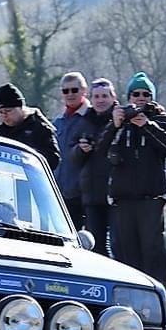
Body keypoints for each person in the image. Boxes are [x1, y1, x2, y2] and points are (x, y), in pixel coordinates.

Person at [96, 71, 166, 298]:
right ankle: (131, 299)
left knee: (153, 251)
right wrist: (115, 125)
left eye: (145, 94)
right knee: (127, 253)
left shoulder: (164, 119)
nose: (140, 98)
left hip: (151, 198)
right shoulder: (119, 121)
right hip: (123, 199)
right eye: (136, 94)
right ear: (129, 97)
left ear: (152, 97)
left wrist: (147, 125)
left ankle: (160, 298)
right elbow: (100, 151)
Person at [70, 77, 117, 255]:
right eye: (96, 96)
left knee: (117, 245)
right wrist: (81, 150)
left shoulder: (120, 120)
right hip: (91, 195)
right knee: (95, 247)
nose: (100, 100)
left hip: (116, 194)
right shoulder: (84, 122)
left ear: (113, 97)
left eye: (105, 96)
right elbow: (72, 157)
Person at [52, 72, 96, 227]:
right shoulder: (58, 122)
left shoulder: (92, 117)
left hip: (85, 195)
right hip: (61, 194)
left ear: (84, 91)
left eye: (74, 90)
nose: (70, 94)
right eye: (66, 91)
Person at [0, 83, 61, 171]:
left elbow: (53, 159)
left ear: (21, 108)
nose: (4, 115)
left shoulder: (40, 128)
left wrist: (27, 159)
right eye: (1, 112)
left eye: (8, 111)